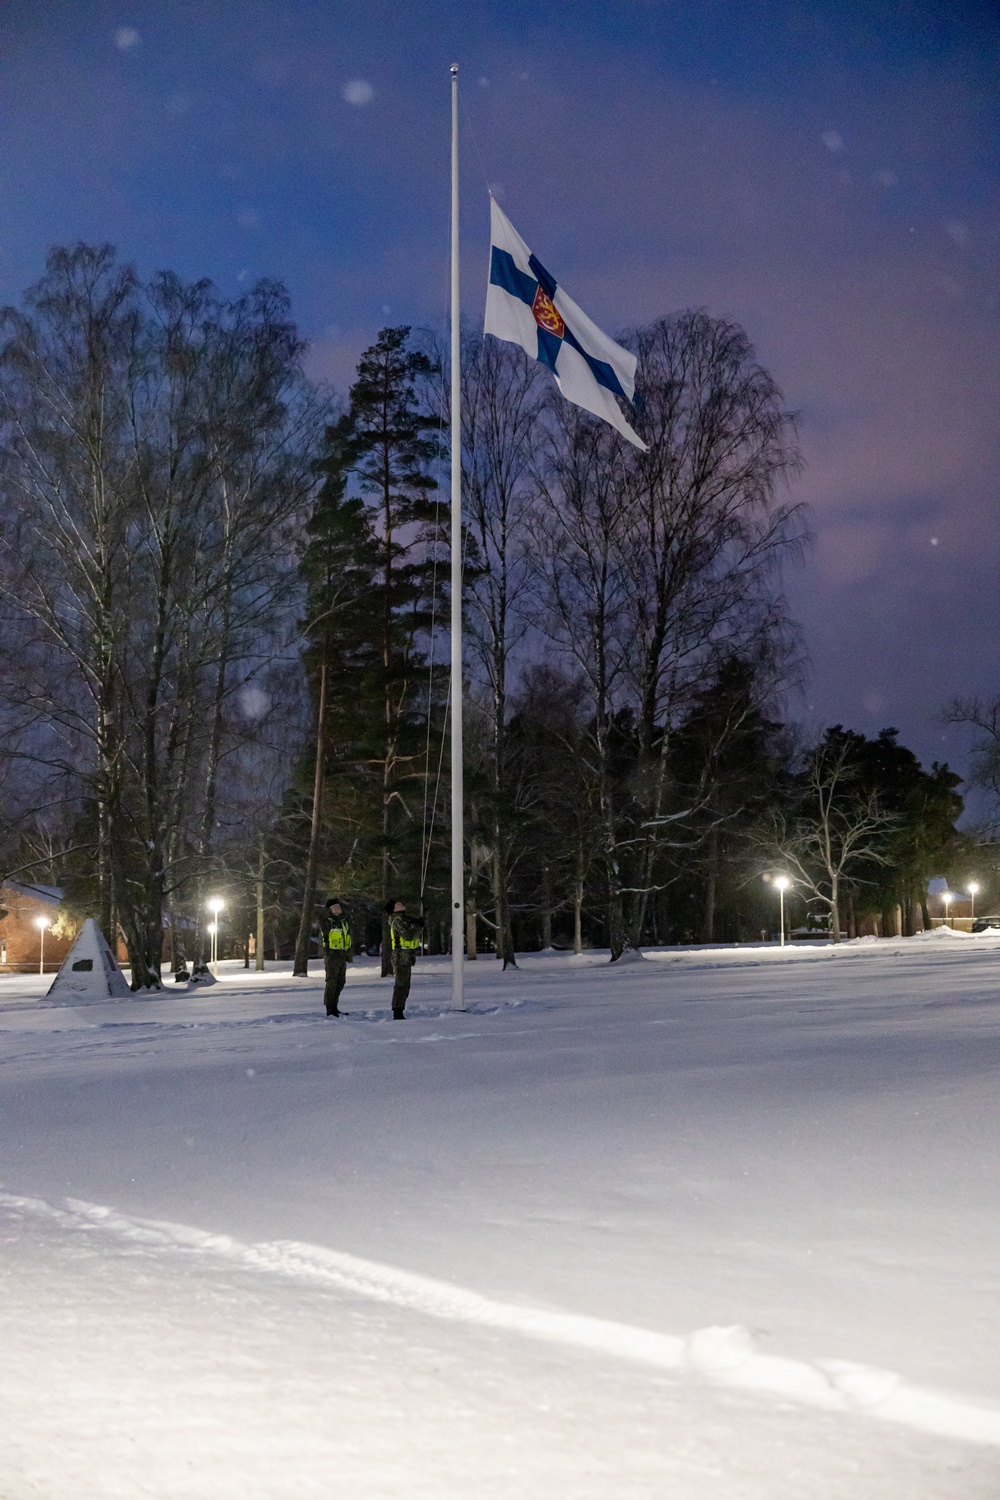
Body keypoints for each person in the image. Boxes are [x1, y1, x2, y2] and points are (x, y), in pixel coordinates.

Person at [386, 899, 422, 1019]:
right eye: (397, 904)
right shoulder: (397, 920)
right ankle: (397, 1010)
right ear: (394, 909)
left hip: (406, 956)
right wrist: (418, 926)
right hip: (401, 956)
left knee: (404, 985)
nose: (401, 904)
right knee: (401, 985)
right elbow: (408, 934)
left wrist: (419, 921)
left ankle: (399, 1008)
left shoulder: (404, 919)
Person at [320, 898, 353, 1016]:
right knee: (331, 981)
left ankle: (334, 1005)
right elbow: (325, 932)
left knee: (341, 981)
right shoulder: (327, 920)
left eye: (339, 906)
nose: (338, 908)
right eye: (335, 906)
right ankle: (330, 1007)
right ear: (330, 909)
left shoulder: (344, 920)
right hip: (332, 954)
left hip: (342, 954)